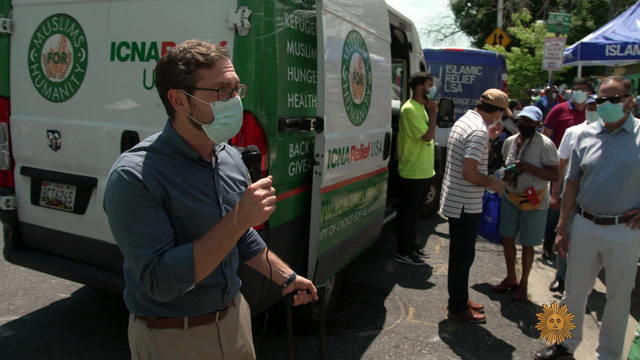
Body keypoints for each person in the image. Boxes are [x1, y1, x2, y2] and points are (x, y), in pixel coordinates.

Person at [103, 40, 318, 360]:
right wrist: (238, 219)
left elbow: (241, 239)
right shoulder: (134, 176)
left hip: (234, 321)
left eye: (236, 89)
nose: (234, 101)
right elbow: (160, 282)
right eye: (221, 91)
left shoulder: (230, 158)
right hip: (173, 338)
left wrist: (286, 276)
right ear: (179, 100)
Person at [535, 76, 640, 360]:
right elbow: (571, 184)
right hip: (583, 223)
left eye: (613, 99)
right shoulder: (583, 134)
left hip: (625, 230)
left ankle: (608, 355)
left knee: (618, 299)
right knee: (571, 291)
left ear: (630, 101)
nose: (606, 104)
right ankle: (560, 344)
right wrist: (561, 227)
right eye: (602, 99)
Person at [439, 89, 506, 324]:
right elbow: (470, 173)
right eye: (501, 113)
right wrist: (493, 184)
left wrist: (490, 138)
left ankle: (460, 298)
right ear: (496, 112)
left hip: (456, 200)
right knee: (462, 258)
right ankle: (457, 306)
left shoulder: (466, 121)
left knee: (460, 256)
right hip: (465, 204)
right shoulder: (478, 131)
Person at [491, 106, 559, 302]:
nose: (525, 124)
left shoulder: (545, 144)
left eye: (530, 122)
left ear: (539, 124)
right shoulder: (510, 141)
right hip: (511, 196)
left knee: (528, 244)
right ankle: (511, 277)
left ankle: (524, 283)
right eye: (523, 120)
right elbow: (506, 165)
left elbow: (554, 174)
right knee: (507, 238)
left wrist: (528, 168)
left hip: (534, 201)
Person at [547, 95, 598, 294]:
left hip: (593, 196)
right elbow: (561, 165)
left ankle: (584, 280)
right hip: (570, 193)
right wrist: (555, 192)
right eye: (591, 106)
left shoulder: (608, 134)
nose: (594, 109)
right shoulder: (573, 132)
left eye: (597, 105)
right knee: (564, 235)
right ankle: (561, 276)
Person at [541, 77, 595, 261]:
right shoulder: (560, 110)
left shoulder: (596, 115)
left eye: (582, 89)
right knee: (554, 210)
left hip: (586, 174)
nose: (578, 92)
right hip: (560, 169)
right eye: (576, 89)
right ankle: (547, 245)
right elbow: (546, 136)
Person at [394, 72, 437, 265]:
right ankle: (402, 250)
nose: (432, 88)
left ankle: (412, 245)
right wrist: (435, 113)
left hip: (424, 170)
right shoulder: (410, 109)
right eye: (430, 84)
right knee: (407, 213)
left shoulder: (422, 107)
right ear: (421, 86)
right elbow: (427, 136)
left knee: (414, 214)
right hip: (412, 170)